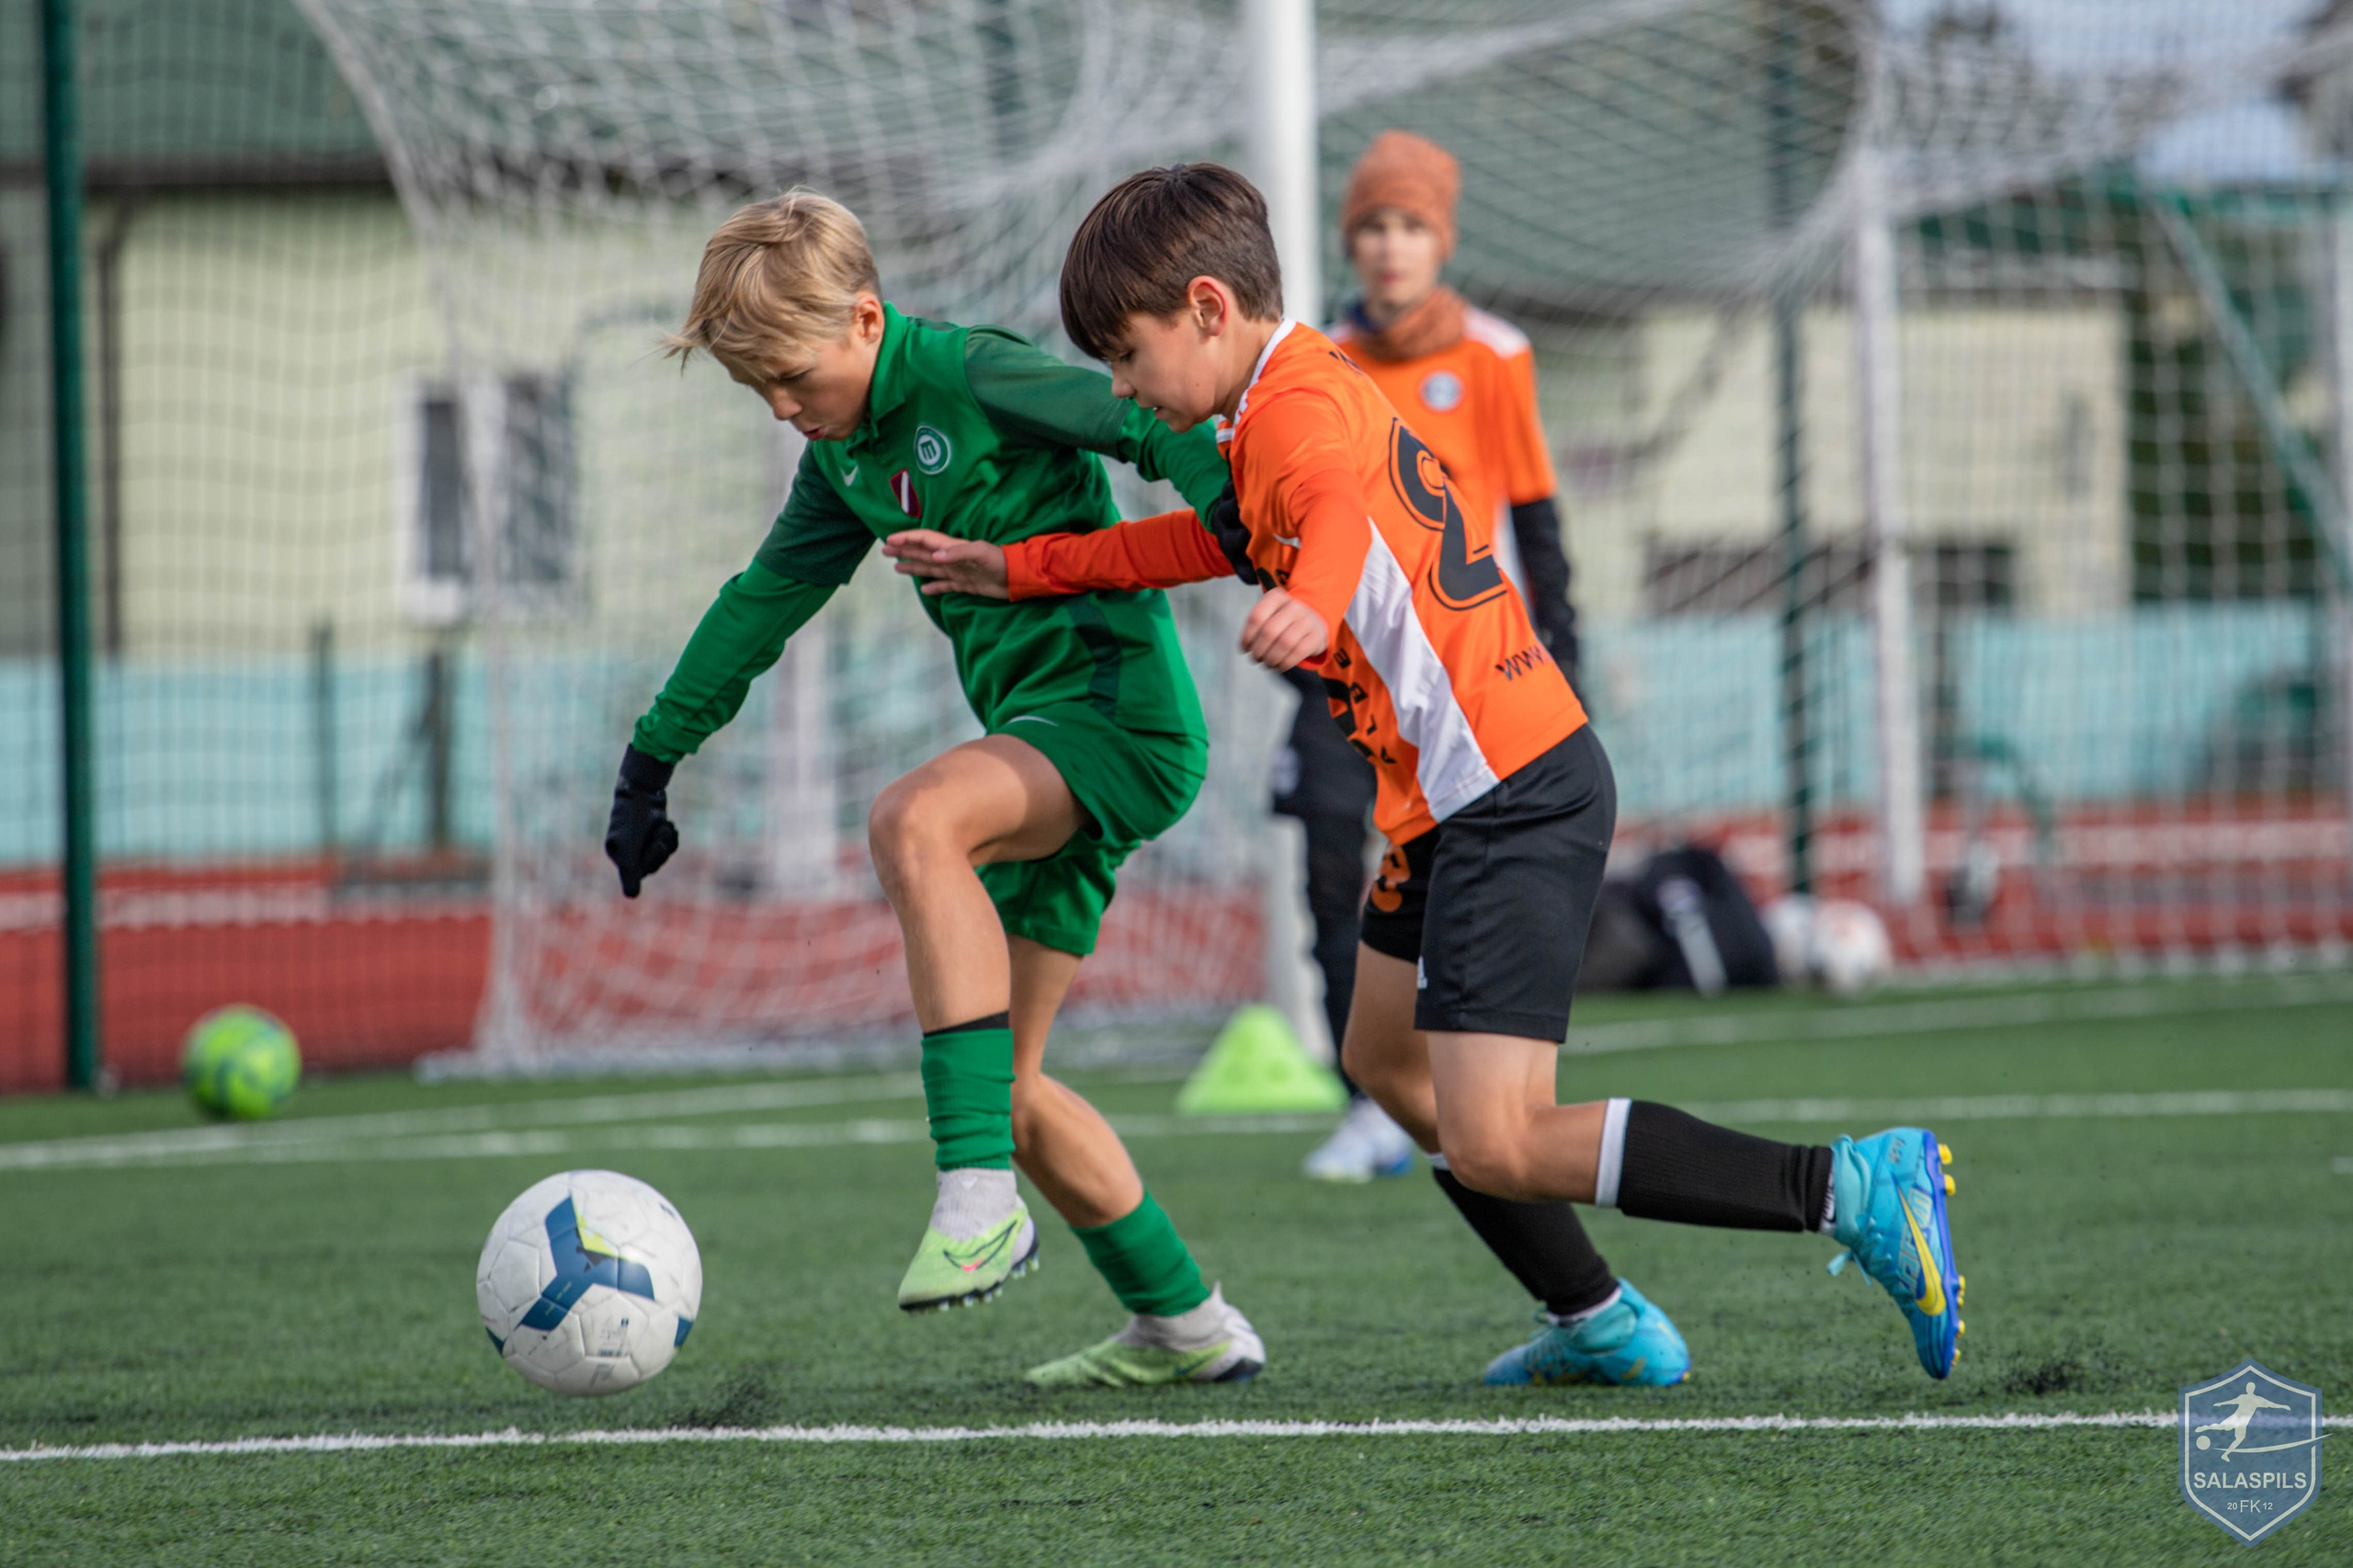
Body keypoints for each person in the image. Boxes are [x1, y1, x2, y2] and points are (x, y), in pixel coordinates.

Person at [890, 164, 1967, 1384]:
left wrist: (1312, 601)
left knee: (1498, 1134)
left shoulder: (1292, 410)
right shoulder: (1273, 397)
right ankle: (1597, 1320)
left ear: (1207, 307)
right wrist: (1020, 567)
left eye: (1127, 356)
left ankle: (1846, 1184)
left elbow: (1332, 511)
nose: (1123, 389)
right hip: (1449, 805)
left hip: (1512, 788)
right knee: (1389, 1065)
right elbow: (1213, 536)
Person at [603, 191, 1264, 1388]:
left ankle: (974, 1198)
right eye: (758, 390)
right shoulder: (842, 460)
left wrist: (1223, 497)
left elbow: (1134, 418)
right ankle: (1187, 1322)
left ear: (866, 319)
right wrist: (652, 757)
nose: (781, 407)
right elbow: (760, 605)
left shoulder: (970, 372)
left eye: (791, 376)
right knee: (1013, 1088)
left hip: (1115, 720)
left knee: (915, 818)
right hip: (1042, 739)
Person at [1295, 130, 1584, 1186]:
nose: (1389, 245)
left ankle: (1487, 1089)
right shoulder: (1318, 361)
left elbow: (1535, 518)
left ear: (1442, 241)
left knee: (1464, 873)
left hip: (1469, 672)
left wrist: (1567, 657)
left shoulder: (1494, 354)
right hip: (1344, 667)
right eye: (1372, 225)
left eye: (1410, 225)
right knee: (1330, 861)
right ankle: (1367, 1102)